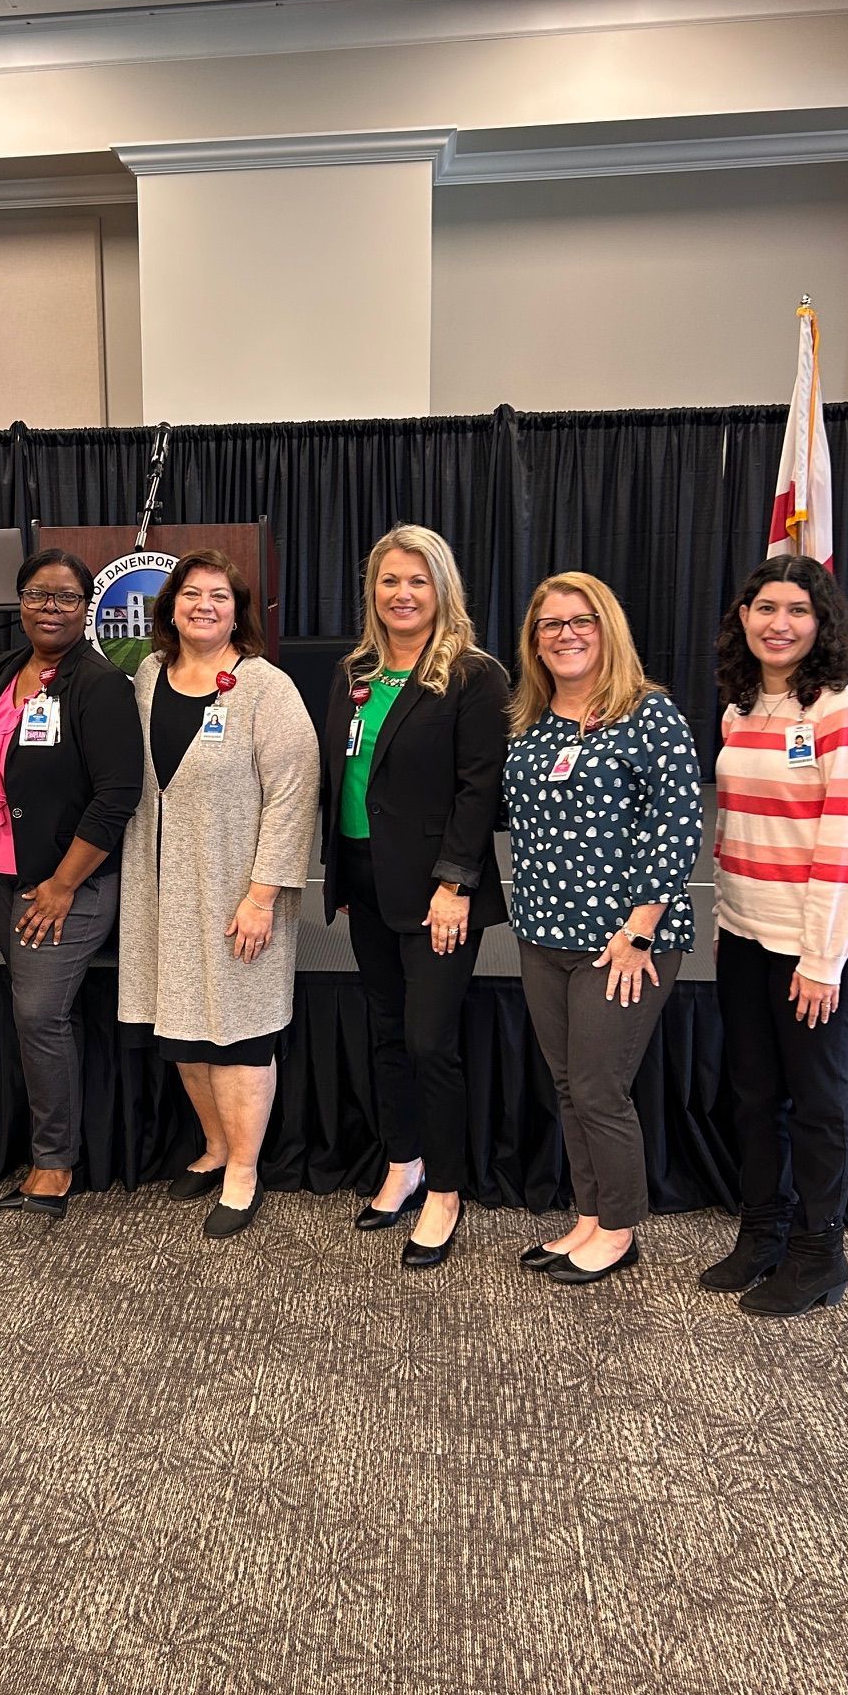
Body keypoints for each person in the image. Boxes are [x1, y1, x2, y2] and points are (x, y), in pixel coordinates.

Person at [502, 572, 702, 1285]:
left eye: (581, 620)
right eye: (551, 624)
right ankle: (588, 1216)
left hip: (622, 943)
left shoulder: (650, 716)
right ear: (534, 640)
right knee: (567, 1085)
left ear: (606, 627)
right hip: (542, 934)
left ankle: (617, 1229)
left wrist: (640, 928)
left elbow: (677, 826)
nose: (567, 634)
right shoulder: (530, 720)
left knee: (597, 1088)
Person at [319, 525, 509, 1271]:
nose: (402, 594)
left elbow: (478, 788)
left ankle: (447, 1190)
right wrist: (338, 870)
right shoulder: (354, 670)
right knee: (387, 1033)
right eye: (390, 581)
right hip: (364, 880)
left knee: (432, 1042)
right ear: (373, 589)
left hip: (437, 893)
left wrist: (456, 883)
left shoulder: (472, 675)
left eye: (417, 582)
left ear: (442, 590)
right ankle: (404, 1163)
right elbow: (343, 777)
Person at [118, 550, 319, 1238]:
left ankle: (244, 1170)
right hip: (160, 886)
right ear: (169, 606)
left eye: (221, 596)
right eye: (192, 594)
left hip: (237, 887)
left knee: (238, 1035)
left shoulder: (266, 688)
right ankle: (213, 1147)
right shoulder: (148, 675)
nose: (205, 605)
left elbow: (295, 796)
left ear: (240, 611)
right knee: (183, 1029)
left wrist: (262, 895)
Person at [705, 554, 848, 1316]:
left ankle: (819, 1253)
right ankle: (764, 1232)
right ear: (743, 619)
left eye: (798, 611)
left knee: (817, 1102)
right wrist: (726, 921)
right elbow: (734, 828)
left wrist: (822, 958)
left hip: (815, 949)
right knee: (755, 1097)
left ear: (822, 625)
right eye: (765, 607)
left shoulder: (845, 712)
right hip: (746, 936)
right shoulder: (739, 708)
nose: (779, 624)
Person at [0, 549, 143, 1218]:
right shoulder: (2, 671)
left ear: (87, 608)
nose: (51, 608)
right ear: (19, 602)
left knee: (39, 1014)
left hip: (67, 882)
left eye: (67, 598)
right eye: (39, 595)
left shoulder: (99, 685)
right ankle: (56, 1141)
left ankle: (54, 1164)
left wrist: (64, 884)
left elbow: (117, 795)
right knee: (37, 1010)